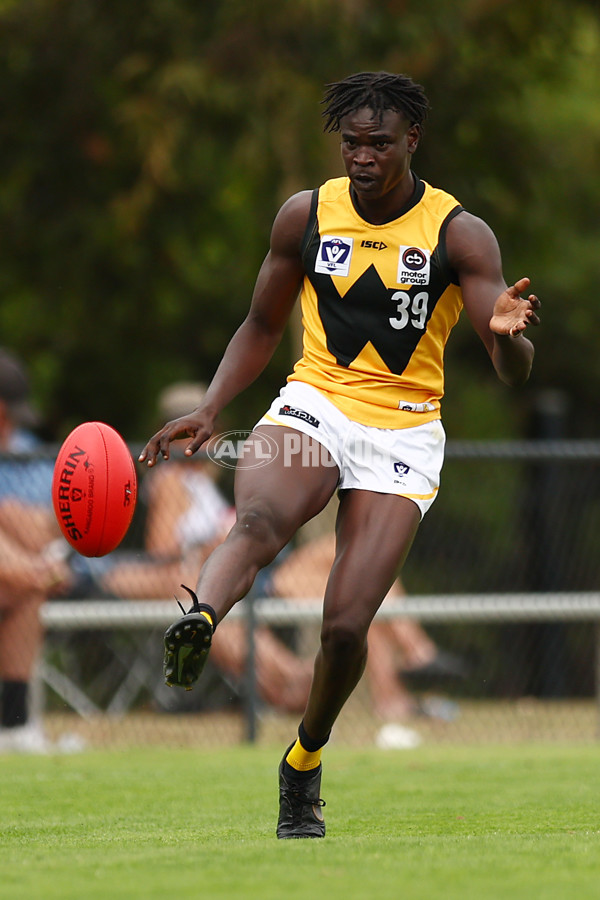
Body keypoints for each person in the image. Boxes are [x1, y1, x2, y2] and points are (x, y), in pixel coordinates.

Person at [139, 72, 540, 838]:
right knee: (258, 518)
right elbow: (261, 325)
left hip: (405, 428)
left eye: (378, 144)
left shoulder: (459, 234)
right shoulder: (306, 215)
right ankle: (200, 619)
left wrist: (512, 336)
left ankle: (304, 762)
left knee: (347, 627)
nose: (362, 156)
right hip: (314, 402)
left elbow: (506, 363)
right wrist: (212, 408)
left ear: (411, 142)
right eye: (352, 142)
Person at [0, 348, 69, 753]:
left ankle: (12, 725)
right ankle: (37, 571)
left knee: (28, 588)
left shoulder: (26, 447)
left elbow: (56, 523)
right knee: (6, 514)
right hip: (32, 566)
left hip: (25, 574)